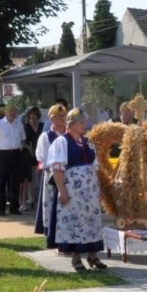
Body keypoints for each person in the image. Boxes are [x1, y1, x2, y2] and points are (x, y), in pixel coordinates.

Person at [47, 109, 108, 270]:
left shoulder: (88, 142)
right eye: (81, 122)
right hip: (73, 191)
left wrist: (99, 189)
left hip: (89, 191)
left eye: (84, 122)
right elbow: (57, 168)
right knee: (74, 222)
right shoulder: (62, 142)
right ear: (71, 124)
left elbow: (95, 168)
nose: (84, 125)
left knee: (92, 222)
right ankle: (75, 258)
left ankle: (93, 256)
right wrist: (62, 190)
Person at [35, 104, 68, 248]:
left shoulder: (69, 135)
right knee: (51, 204)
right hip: (52, 175)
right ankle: (52, 237)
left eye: (64, 117)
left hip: (69, 174)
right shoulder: (46, 136)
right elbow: (42, 156)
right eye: (58, 117)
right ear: (52, 119)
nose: (62, 119)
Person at [0, 103, 26, 216]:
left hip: (16, 154)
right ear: (5, 112)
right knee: (1, 182)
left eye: (14, 111)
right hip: (2, 154)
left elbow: (23, 138)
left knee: (14, 182)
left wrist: (20, 148)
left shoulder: (19, 124)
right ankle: (0, 208)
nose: (12, 113)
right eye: (10, 111)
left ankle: (14, 207)